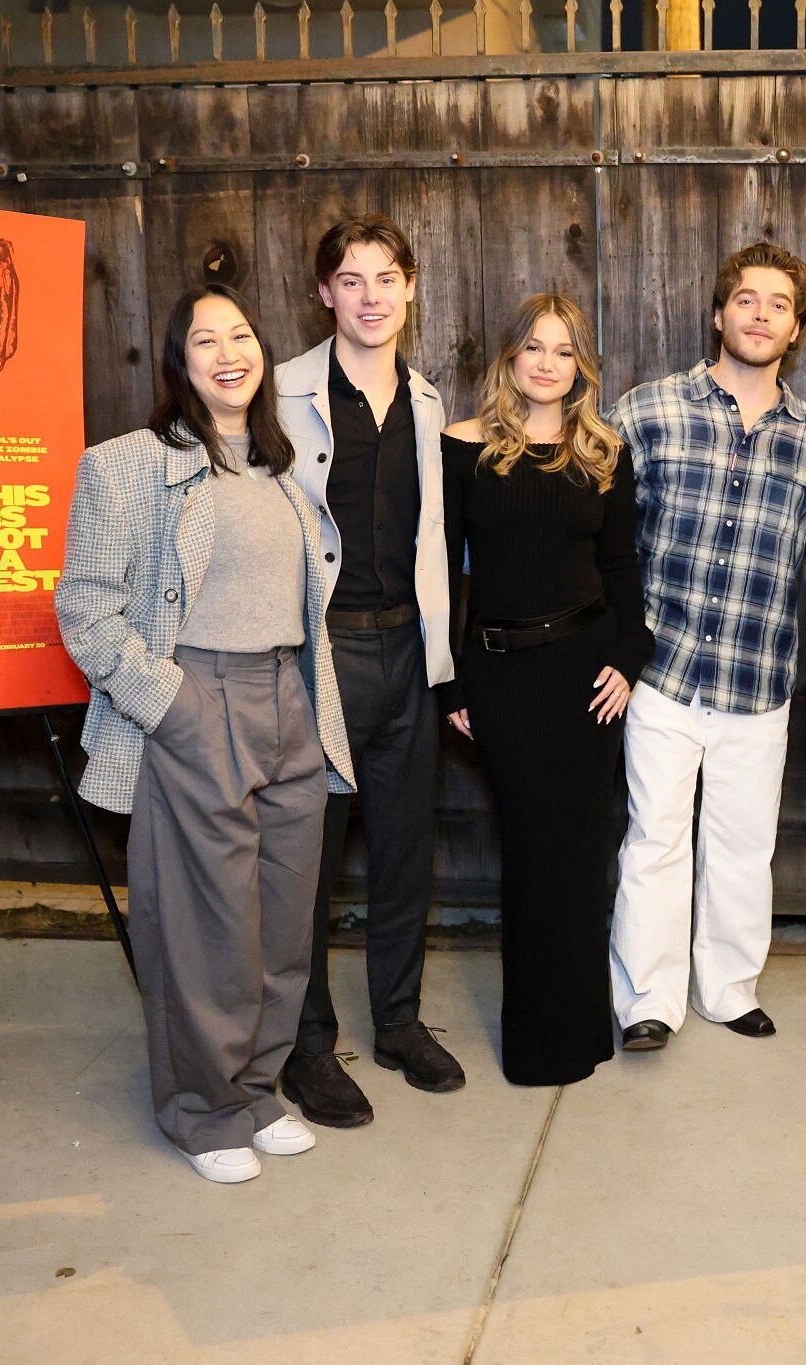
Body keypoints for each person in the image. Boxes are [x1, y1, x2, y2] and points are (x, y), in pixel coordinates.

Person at [55, 282, 355, 1184]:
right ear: (178, 362)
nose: (229, 354)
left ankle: (256, 1092)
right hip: (197, 701)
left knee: (282, 919)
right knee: (205, 924)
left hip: (290, 700)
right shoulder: (127, 465)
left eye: (241, 335)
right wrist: (171, 704)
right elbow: (85, 610)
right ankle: (202, 1110)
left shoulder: (279, 468)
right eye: (205, 341)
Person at [608, 241, 806, 1051]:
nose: (760, 314)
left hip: (758, 674)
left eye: (779, 304)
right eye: (747, 299)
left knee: (744, 845)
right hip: (660, 670)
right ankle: (648, 1000)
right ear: (719, 314)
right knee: (654, 840)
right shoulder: (648, 411)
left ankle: (729, 987)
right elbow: (597, 531)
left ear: (796, 328)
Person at [273, 212, 462, 1127]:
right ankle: (307, 1045)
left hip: (408, 650)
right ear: (325, 293)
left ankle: (398, 1021)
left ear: (411, 288)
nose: (371, 296)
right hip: (324, 651)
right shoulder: (282, 394)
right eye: (351, 279)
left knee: (403, 851)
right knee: (309, 860)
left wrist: (445, 660)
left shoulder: (427, 401)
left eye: (387, 278)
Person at [437, 293, 653, 1085]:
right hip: (501, 676)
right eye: (534, 346)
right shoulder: (462, 447)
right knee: (532, 855)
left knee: (581, 855)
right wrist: (451, 680)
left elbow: (622, 568)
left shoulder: (604, 452)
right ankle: (536, 1044)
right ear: (510, 355)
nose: (548, 363)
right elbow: (441, 574)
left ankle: (583, 1032)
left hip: (587, 676)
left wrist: (628, 659)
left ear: (581, 367)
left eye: (564, 351)